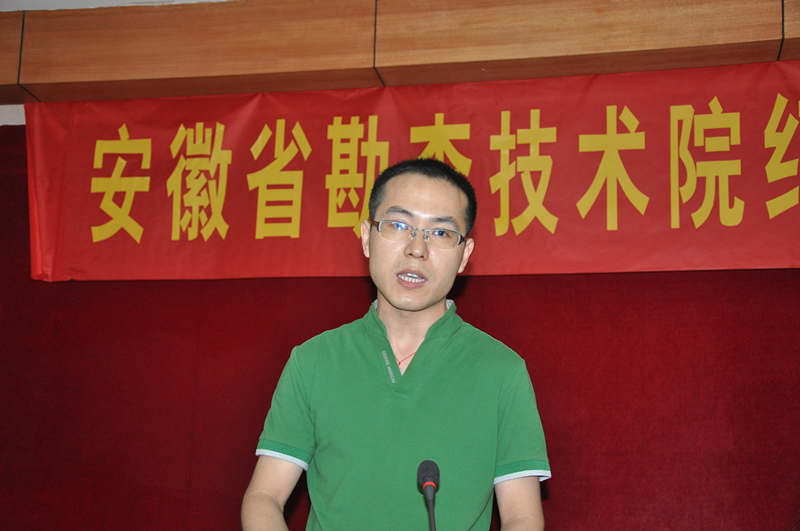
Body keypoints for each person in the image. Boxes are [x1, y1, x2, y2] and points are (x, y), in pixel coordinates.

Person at [241, 158, 550, 530]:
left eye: (440, 233)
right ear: (366, 237)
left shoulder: (502, 372)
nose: (416, 249)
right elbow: (264, 497)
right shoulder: (314, 361)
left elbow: (521, 517)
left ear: (464, 255)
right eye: (399, 225)